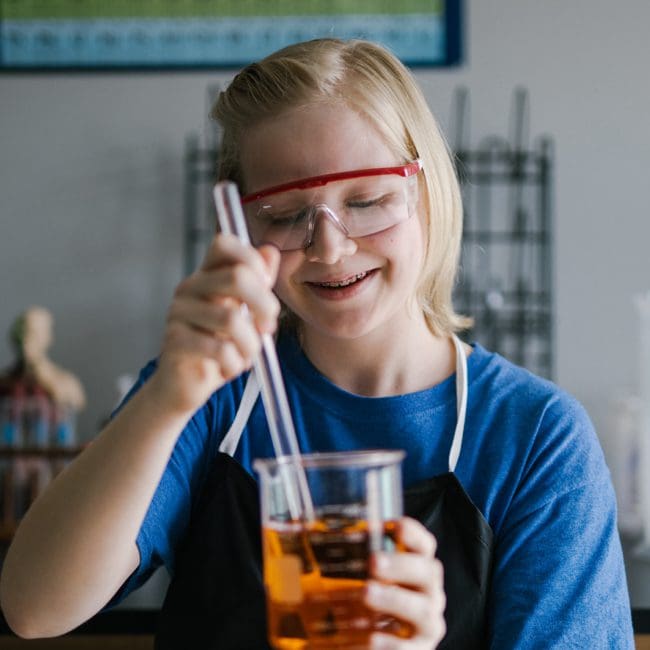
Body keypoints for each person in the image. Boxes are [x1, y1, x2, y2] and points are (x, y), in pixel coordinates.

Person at [0, 38, 633, 649]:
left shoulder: (534, 438)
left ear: (428, 194)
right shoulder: (211, 397)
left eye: (367, 200)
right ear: (244, 228)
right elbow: (34, 609)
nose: (328, 246)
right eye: (284, 214)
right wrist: (165, 397)